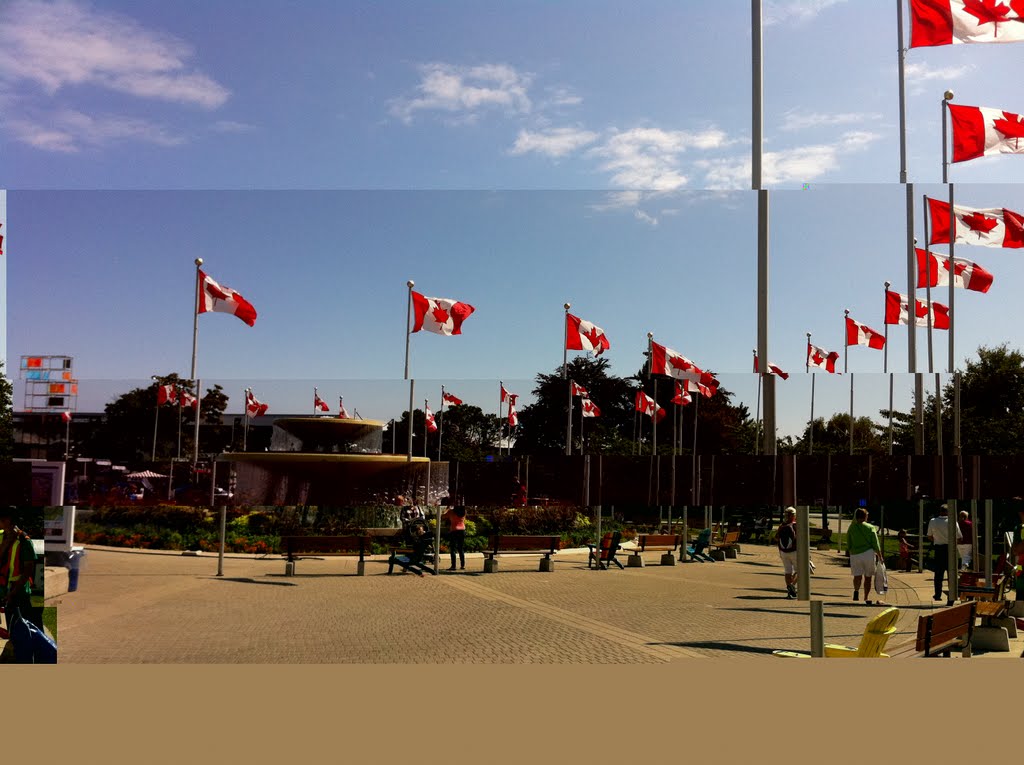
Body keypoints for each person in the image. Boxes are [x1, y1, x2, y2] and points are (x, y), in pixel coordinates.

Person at [0, 508, 42, 636]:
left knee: (22, 628)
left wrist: (13, 592)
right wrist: (6, 543)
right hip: (2, 588)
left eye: (2, 519)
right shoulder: (1, 536)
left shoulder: (24, 540)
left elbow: (28, 570)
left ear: (9, 521)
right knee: (8, 627)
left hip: (18, 592)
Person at [846, 508, 884, 605]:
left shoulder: (851, 527)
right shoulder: (870, 527)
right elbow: (875, 543)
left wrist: (850, 551)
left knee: (857, 575)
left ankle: (856, 591)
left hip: (855, 554)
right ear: (865, 516)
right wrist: (880, 556)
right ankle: (866, 596)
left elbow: (849, 542)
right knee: (868, 577)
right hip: (868, 554)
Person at [926, 504, 962, 604]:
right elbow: (959, 537)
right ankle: (951, 598)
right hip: (950, 549)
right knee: (952, 574)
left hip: (939, 548)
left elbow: (929, 536)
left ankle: (937, 594)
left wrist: (937, 539)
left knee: (938, 574)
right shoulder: (952, 522)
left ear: (940, 511)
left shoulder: (933, 521)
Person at [776, 507, 798, 599]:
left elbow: (777, 538)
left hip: (783, 552)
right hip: (794, 551)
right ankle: (792, 585)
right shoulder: (795, 525)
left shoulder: (782, 525)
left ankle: (790, 589)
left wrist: (780, 551)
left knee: (787, 571)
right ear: (793, 515)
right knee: (801, 571)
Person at [444, 505, 467, 571]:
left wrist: (447, 509)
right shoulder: (464, 511)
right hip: (462, 530)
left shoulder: (451, 512)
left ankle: (453, 566)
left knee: (453, 549)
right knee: (461, 548)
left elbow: (442, 515)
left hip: (454, 530)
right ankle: (462, 565)